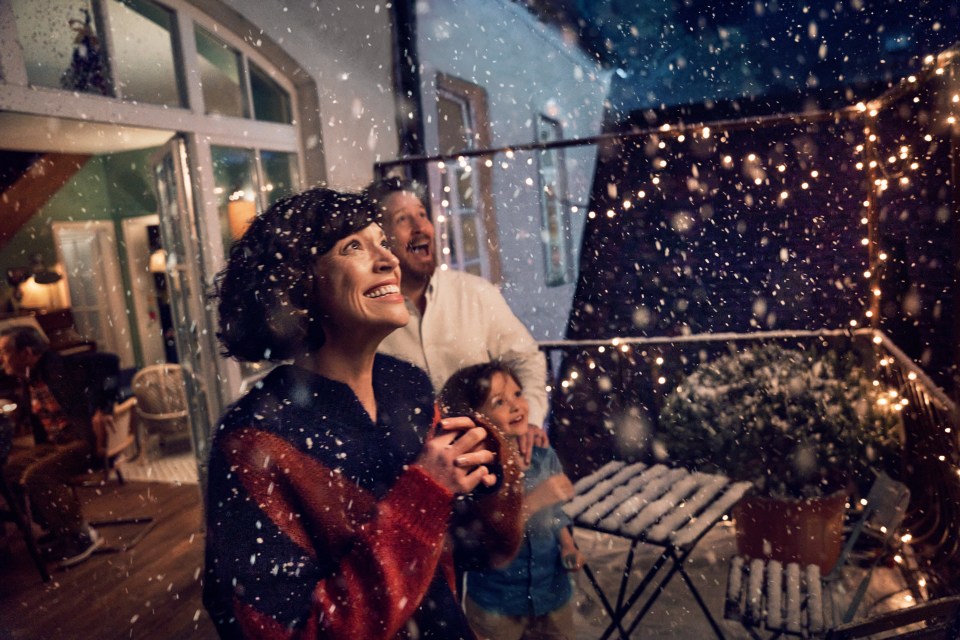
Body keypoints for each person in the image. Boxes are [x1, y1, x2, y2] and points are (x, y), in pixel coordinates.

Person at [204, 187, 523, 639]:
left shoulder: (406, 388)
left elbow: (469, 550)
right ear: (298, 284)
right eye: (353, 246)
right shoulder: (254, 441)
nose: (389, 259)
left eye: (381, 241)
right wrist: (425, 492)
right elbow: (289, 632)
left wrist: (488, 474)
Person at [365, 177, 549, 462]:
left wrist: (532, 420)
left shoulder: (475, 293)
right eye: (403, 219)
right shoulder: (368, 314)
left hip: (493, 465)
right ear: (379, 238)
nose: (420, 227)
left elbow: (526, 359)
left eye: (422, 215)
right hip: (416, 475)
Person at [440, 361, 584, 640]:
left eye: (518, 394)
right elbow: (481, 541)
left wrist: (568, 545)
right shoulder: (477, 473)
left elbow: (555, 516)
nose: (517, 406)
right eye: (499, 401)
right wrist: (533, 500)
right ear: (475, 419)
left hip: (552, 593)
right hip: (497, 605)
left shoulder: (543, 456)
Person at [0, 326, 116, 567]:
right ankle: (57, 529)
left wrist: (104, 408)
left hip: (82, 444)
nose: (2, 360)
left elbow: (110, 362)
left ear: (28, 352)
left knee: (38, 476)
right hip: (57, 444)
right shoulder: (31, 376)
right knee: (10, 472)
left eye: (6, 352)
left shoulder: (58, 366)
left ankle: (82, 536)